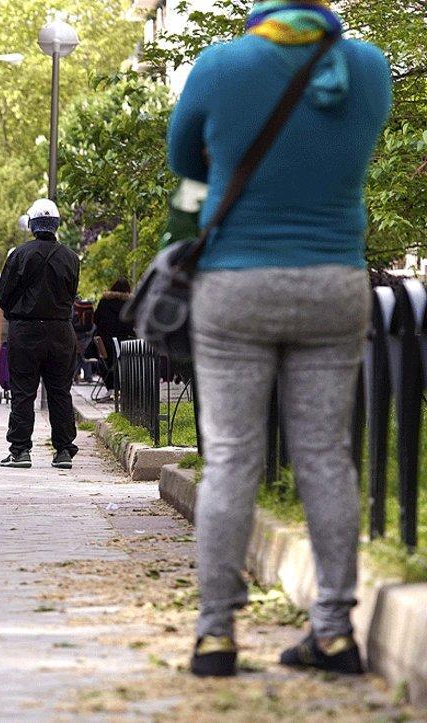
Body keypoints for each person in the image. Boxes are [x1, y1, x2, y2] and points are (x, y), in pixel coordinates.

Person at [169, 0, 391, 678]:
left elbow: (185, 162)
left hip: (235, 284)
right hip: (335, 280)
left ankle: (216, 636)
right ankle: (332, 630)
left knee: (232, 457)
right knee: (326, 454)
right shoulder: (370, 67)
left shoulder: (222, 63)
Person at [0, 199, 81, 471]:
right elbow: (71, 293)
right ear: (56, 225)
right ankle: (64, 450)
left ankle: (20, 451)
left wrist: (17, 314)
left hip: (26, 330)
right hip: (60, 331)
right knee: (60, 391)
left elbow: (3, 295)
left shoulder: (18, 255)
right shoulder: (70, 257)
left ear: (32, 224)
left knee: (23, 392)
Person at [92, 278, 135, 393]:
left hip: (106, 343)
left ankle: (111, 387)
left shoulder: (104, 301)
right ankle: (127, 388)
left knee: (104, 362)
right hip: (126, 344)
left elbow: (95, 319)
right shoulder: (131, 303)